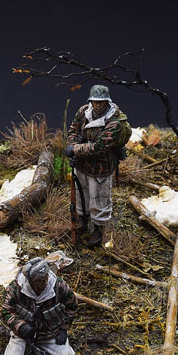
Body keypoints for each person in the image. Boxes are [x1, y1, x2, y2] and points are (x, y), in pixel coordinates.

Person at [64, 84, 131, 247]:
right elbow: (73, 130)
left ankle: (98, 229)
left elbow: (99, 147)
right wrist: (72, 145)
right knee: (81, 194)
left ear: (107, 101)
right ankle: (82, 221)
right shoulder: (83, 112)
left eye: (101, 102)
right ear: (91, 101)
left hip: (101, 166)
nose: (98, 105)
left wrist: (75, 149)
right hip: (82, 165)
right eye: (95, 101)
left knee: (99, 197)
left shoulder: (114, 121)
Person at [1, 258, 78, 355]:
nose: (45, 282)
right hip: (23, 336)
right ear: (30, 280)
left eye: (46, 277)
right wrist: (20, 326)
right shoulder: (16, 288)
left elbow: (72, 305)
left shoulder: (59, 286)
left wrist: (64, 328)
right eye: (40, 280)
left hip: (51, 334)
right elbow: (6, 310)